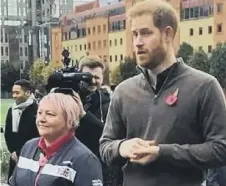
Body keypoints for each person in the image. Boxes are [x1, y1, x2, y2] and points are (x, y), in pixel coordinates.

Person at [99, 1, 226, 186]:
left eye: (146, 33)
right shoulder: (123, 91)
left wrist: (162, 152)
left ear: (168, 34)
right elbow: (105, 146)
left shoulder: (204, 86)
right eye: (134, 34)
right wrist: (121, 147)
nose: (137, 42)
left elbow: (221, 149)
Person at [10, 93, 103, 186]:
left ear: (70, 120)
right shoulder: (28, 147)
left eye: (50, 114)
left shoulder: (85, 159)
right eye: (39, 113)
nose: (41, 119)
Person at [76, 55, 122, 186]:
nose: (93, 81)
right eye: (88, 77)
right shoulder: (69, 99)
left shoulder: (111, 104)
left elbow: (111, 135)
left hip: (102, 170)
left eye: (97, 77)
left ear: (102, 79)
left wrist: (84, 116)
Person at [4, 79, 39, 184]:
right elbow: (8, 134)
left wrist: (21, 153)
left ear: (28, 93)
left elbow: (36, 136)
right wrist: (13, 152)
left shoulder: (37, 111)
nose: (14, 96)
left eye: (17, 93)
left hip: (31, 158)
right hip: (14, 157)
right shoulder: (11, 110)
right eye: (13, 92)